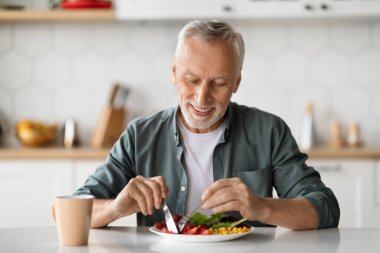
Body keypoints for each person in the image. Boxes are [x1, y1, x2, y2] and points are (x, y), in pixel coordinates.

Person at [74, 20, 340, 230]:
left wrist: (262, 207)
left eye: (219, 83)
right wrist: (115, 208)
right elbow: (70, 210)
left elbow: (325, 207)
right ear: (174, 73)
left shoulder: (269, 131)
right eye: (191, 79)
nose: (202, 98)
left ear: (236, 82)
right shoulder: (139, 135)